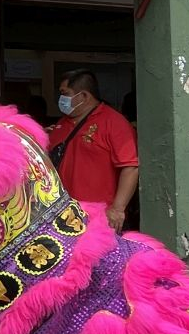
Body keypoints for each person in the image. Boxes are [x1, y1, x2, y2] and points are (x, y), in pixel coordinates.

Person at [47, 69, 139, 231]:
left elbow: (130, 167)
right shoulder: (61, 124)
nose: (60, 99)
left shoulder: (114, 122)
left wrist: (117, 209)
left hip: (99, 218)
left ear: (84, 96)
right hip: (62, 217)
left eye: (65, 93)